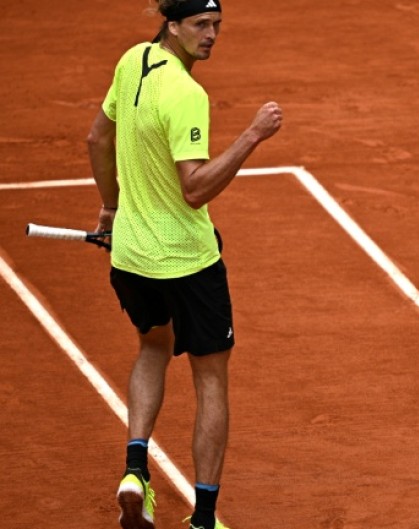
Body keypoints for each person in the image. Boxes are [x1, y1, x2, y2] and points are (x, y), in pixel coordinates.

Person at [86, 1, 282, 528]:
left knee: (153, 344)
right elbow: (194, 189)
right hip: (188, 262)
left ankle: (134, 472)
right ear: (172, 24)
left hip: (130, 254)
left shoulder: (132, 61)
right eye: (200, 24)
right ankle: (204, 520)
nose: (212, 34)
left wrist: (110, 208)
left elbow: (97, 138)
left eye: (217, 25)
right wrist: (252, 136)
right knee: (211, 379)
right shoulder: (187, 93)